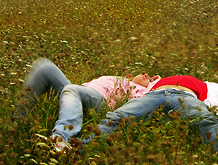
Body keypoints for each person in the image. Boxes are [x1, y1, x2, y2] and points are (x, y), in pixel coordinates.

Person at [14, 58, 160, 152]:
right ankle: (17, 124)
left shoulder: (143, 92)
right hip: (81, 93)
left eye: (149, 78)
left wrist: (155, 83)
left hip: (100, 100)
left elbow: (152, 98)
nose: (146, 74)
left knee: (72, 89)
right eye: (145, 73)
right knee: (45, 67)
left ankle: (60, 140)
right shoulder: (121, 80)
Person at [96, 74, 218, 153]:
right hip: (154, 95)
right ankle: (81, 145)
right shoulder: (153, 84)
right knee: (118, 117)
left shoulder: (208, 86)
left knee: (202, 119)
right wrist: (154, 81)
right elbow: (133, 87)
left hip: (184, 96)